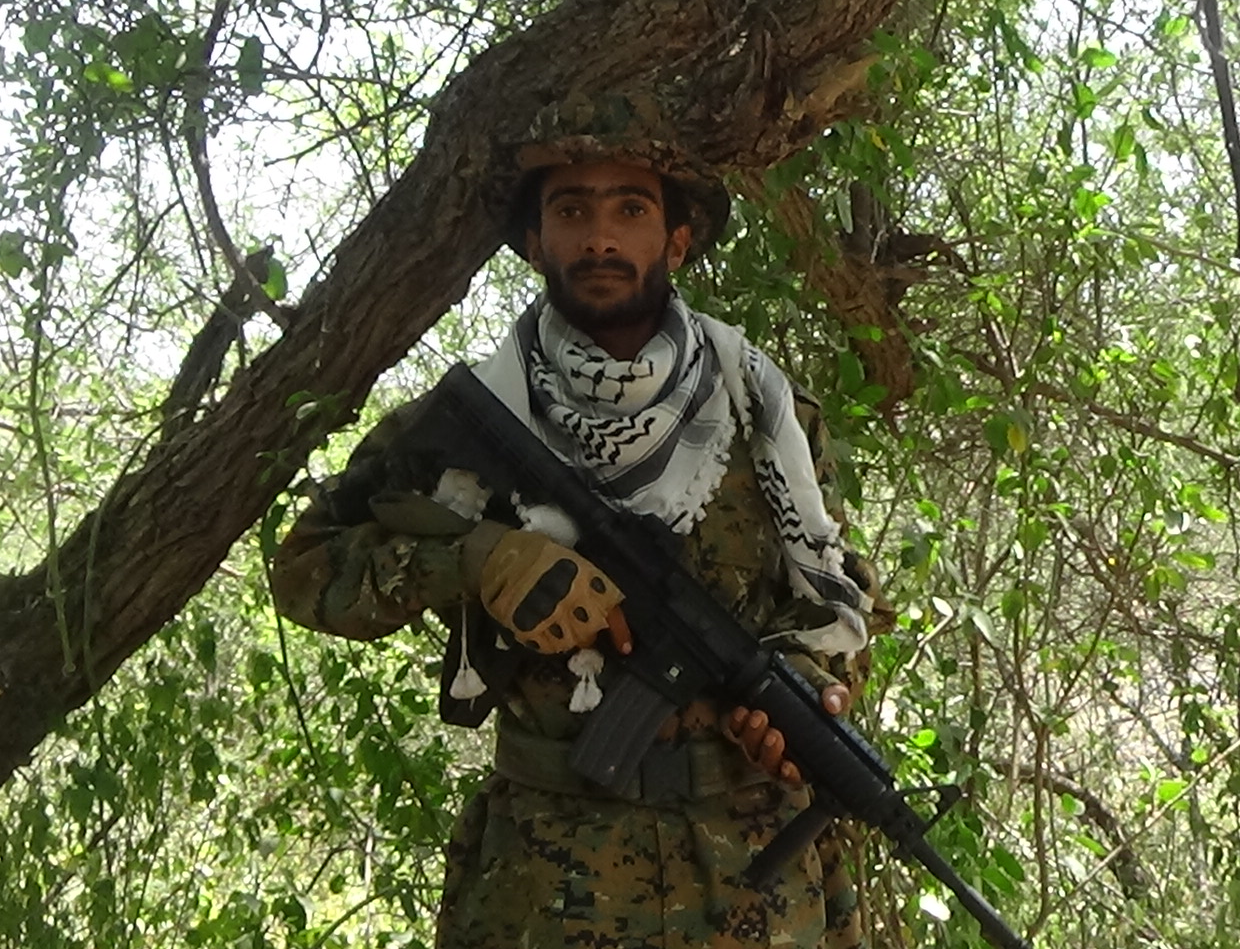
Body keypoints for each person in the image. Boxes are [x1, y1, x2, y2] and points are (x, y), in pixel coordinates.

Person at [269, 95, 882, 948]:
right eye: (571, 211)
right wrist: (479, 558)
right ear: (534, 243)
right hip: (546, 880)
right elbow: (306, 569)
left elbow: (843, 598)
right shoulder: (474, 422)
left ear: (676, 241)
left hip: (752, 875)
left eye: (630, 210)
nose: (600, 239)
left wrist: (805, 687)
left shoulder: (764, 416)